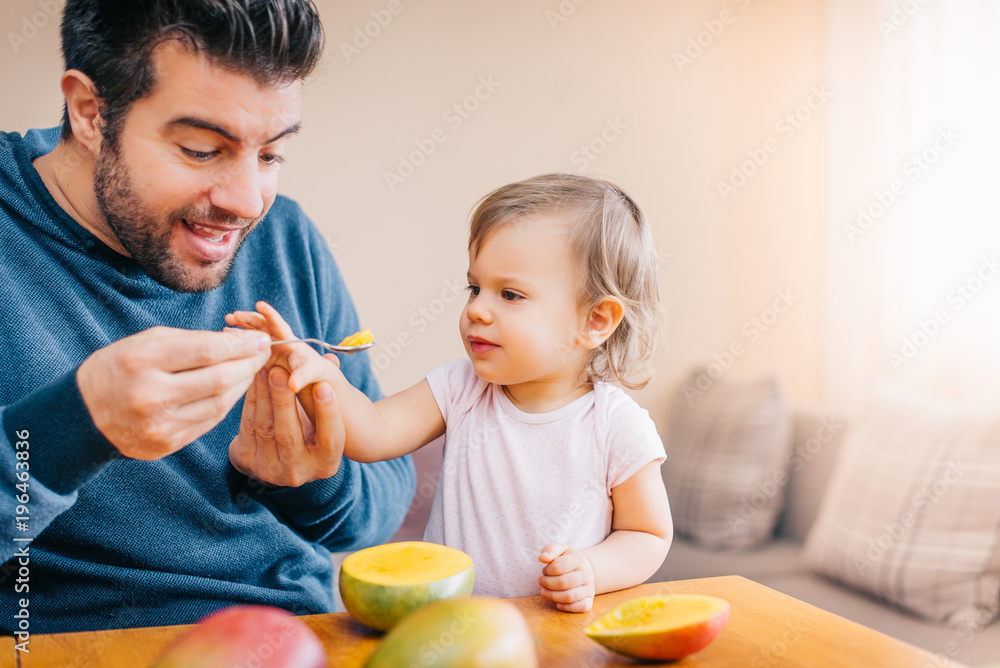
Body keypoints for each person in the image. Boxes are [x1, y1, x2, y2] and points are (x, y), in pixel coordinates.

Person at [0, 0, 414, 635]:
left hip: (293, 635)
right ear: (89, 112)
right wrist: (74, 428)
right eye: (200, 150)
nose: (248, 202)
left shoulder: (286, 239)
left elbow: (379, 504)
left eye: (271, 155)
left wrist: (307, 478)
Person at [230, 173, 673, 612]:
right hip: (447, 628)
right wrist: (313, 374)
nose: (477, 309)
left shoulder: (617, 424)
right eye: (475, 288)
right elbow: (373, 432)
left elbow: (648, 535)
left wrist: (592, 569)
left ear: (595, 320)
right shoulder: (461, 387)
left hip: (554, 633)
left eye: (511, 295)